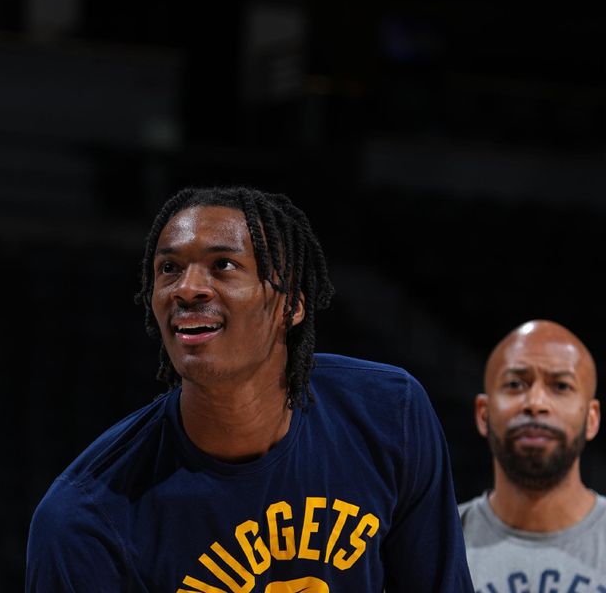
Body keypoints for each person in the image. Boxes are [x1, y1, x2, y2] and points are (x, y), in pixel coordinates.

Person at [26, 185, 473, 592]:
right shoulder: (87, 518)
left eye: (223, 265)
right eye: (169, 268)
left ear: (292, 304)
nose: (188, 288)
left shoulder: (388, 412)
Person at [458, 319, 606, 591]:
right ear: (483, 414)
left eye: (561, 386)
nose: (536, 403)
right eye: (515, 384)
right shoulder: (438, 542)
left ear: (592, 418)